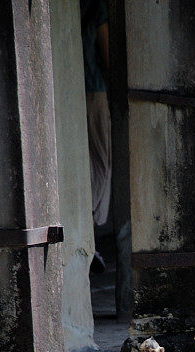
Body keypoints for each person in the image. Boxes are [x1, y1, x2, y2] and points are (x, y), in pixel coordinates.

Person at [80, 0, 111, 272]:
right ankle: (88, 239)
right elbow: (107, 54)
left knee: (88, 164)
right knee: (100, 163)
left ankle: (89, 241)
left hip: (72, 91)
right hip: (92, 89)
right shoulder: (95, 7)